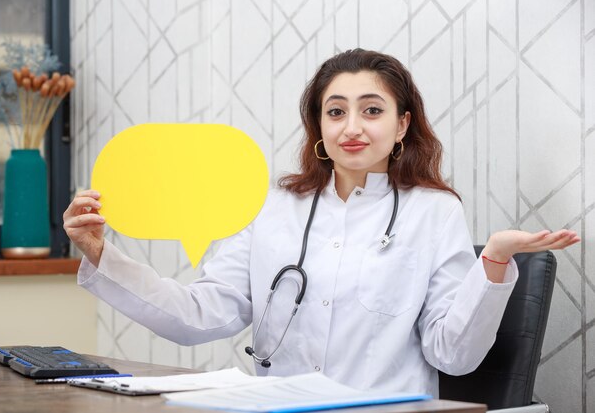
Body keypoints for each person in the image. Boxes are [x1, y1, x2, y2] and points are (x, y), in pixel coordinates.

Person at [63, 49, 579, 397]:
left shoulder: (433, 210)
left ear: (402, 125)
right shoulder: (271, 206)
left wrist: (494, 261)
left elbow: (454, 355)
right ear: (318, 125)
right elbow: (200, 317)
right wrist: (99, 253)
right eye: (336, 112)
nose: (351, 127)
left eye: (371, 110)